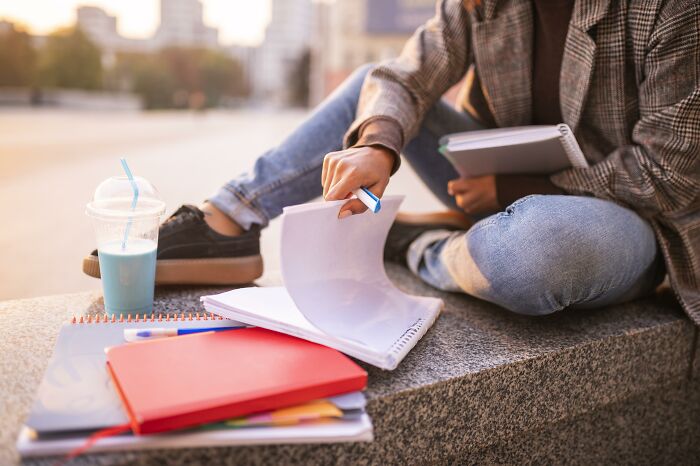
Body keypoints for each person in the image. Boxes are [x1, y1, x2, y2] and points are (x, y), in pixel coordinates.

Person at [83, 0, 699, 321]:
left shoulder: (672, 9)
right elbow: (403, 76)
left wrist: (513, 185)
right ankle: (232, 219)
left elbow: (670, 175)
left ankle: (415, 246)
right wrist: (376, 143)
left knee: (530, 255)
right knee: (371, 89)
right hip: (500, 182)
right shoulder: (481, 3)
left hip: (635, 221)